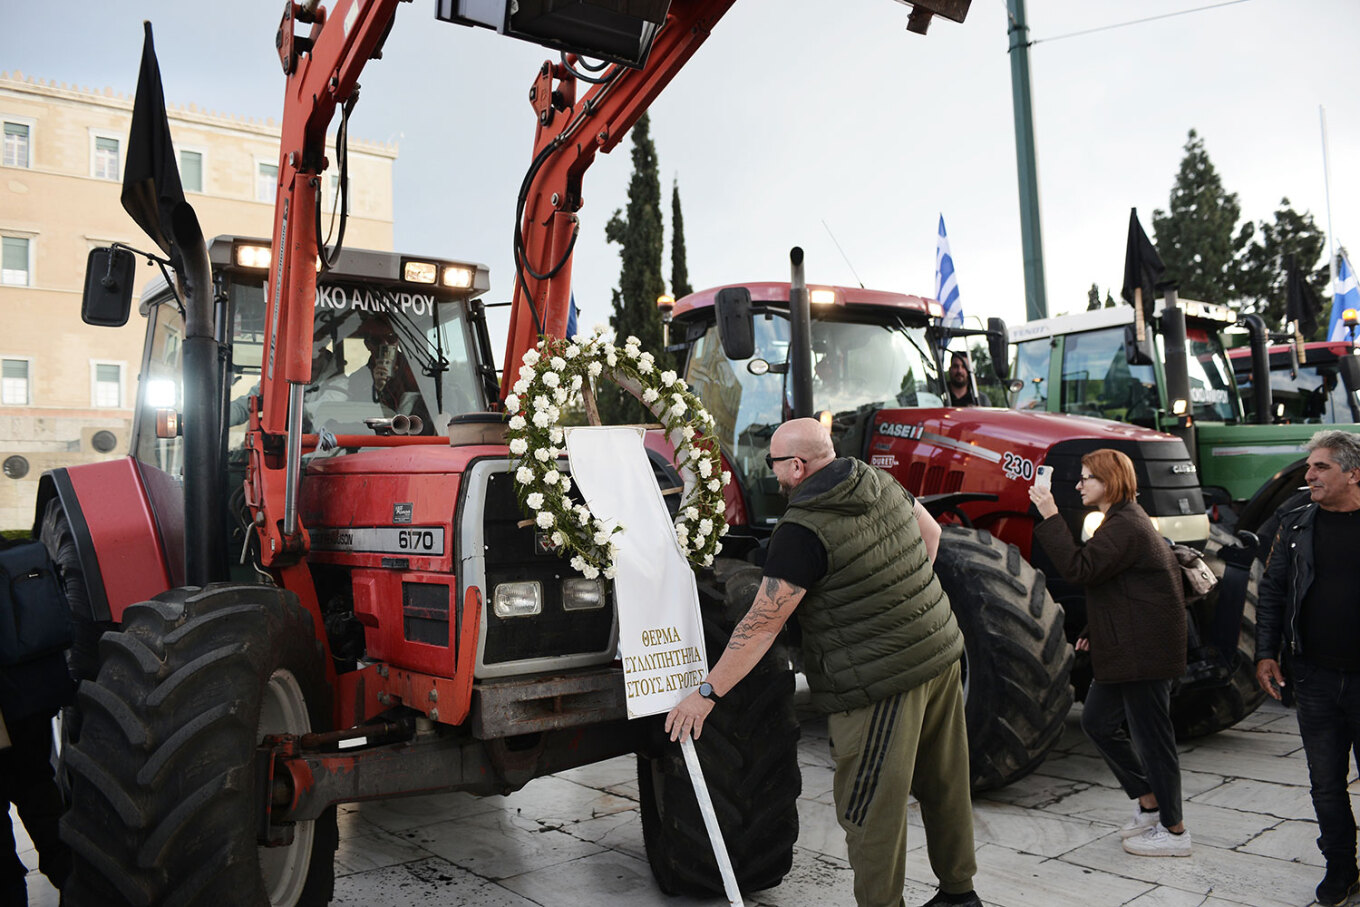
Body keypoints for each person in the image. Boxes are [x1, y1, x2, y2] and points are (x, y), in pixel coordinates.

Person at [666, 418, 981, 907]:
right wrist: (897, 601)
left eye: (773, 463)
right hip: (939, 651)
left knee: (870, 807)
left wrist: (706, 694)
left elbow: (762, 625)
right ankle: (960, 896)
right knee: (945, 784)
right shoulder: (876, 479)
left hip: (879, 685)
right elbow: (931, 533)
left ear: (797, 465)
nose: (771, 474)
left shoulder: (801, 529)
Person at [1028, 449, 1191, 858]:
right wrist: (1092, 630)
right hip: (1126, 646)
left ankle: (1175, 832)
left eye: (1087, 478)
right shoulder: (1122, 522)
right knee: (1099, 722)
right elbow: (1116, 585)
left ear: (1110, 482)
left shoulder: (1126, 525)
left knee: (1154, 740)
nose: (1079, 485)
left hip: (1144, 651)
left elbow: (1080, 569)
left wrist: (1049, 513)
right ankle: (1149, 803)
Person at [1256, 430, 1360, 906]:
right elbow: (1273, 591)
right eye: (1309, 466)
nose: (1309, 475)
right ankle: (1340, 869)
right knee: (1325, 784)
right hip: (1315, 677)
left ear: (1353, 474)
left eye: (1321, 467)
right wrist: (1265, 652)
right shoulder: (1295, 523)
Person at [0, 636, 74, 902]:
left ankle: (75, 883)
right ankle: (75, 883)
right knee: (37, 790)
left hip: (23, 685)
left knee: (36, 789)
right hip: (26, 682)